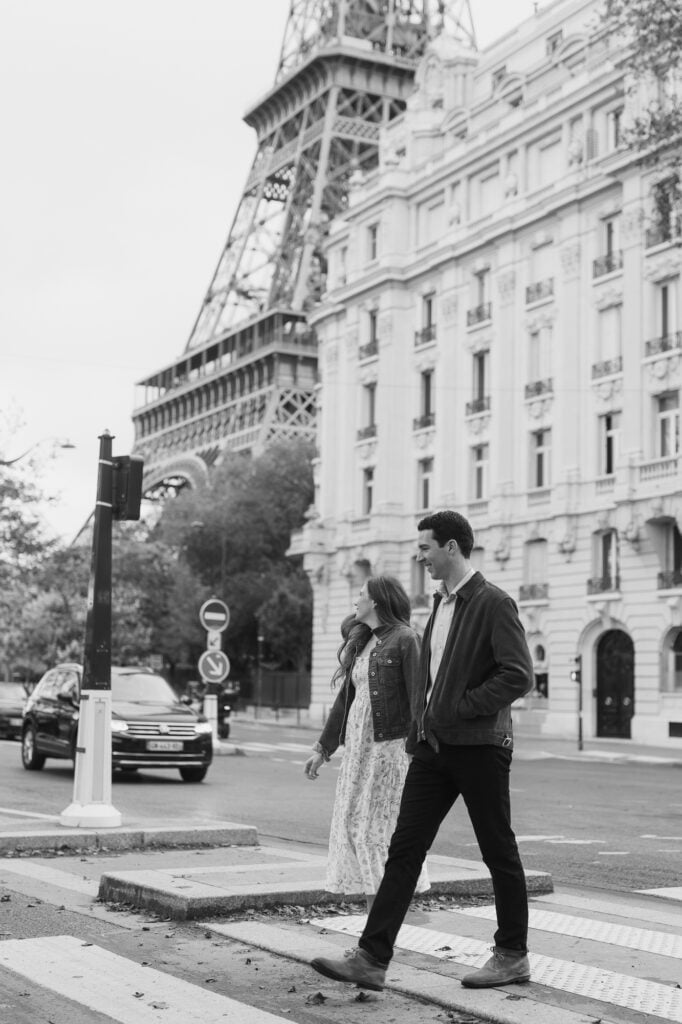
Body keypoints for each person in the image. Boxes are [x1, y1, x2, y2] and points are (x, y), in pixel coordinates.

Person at [311, 510, 534, 991]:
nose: (421, 556)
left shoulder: (494, 603)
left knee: (498, 849)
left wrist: (459, 708)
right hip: (434, 748)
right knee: (404, 848)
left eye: (427, 548)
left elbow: (518, 675)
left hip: (479, 745)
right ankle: (371, 958)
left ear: (451, 547)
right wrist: (424, 725)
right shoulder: (439, 605)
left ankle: (512, 954)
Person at [304, 575, 428, 911]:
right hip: (359, 752)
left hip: (388, 751)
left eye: (360, 595)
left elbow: (419, 700)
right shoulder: (365, 641)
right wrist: (323, 749)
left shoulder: (405, 639)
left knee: (374, 832)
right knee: (353, 826)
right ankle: (375, 925)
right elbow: (347, 700)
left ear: (375, 601)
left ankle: (379, 928)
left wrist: (417, 751)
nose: (355, 600)